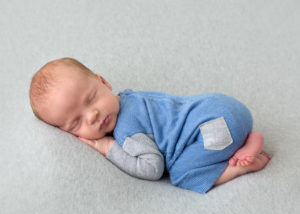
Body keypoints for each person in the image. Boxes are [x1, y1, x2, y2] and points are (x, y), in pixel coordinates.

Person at [29, 57, 271, 194]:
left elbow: (153, 169)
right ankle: (247, 139)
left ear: (103, 81)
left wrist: (107, 148)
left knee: (182, 174)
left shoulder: (127, 132)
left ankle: (240, 166)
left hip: (214, 130)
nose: (92, 115)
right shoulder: (132, 97)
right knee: (194, 143)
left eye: (91, 99)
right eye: (77, 123)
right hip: (224, 107)